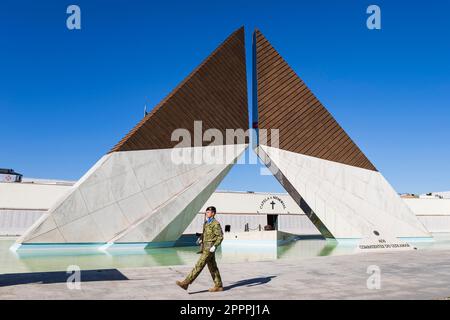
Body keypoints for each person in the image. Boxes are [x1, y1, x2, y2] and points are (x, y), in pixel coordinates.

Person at [176, 206, 224, 292]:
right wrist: (201, 238)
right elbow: (205, 234)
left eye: (208, 212)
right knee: (213, 267)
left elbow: (220, 236)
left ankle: (186, 283)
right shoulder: (206, 223)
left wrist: (215, 246)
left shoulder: (215, 224)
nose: (206, 213)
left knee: (199, 265)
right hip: (205, 247)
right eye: (206, 212)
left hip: (209, 248)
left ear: (213, 213)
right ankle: (218, 285)